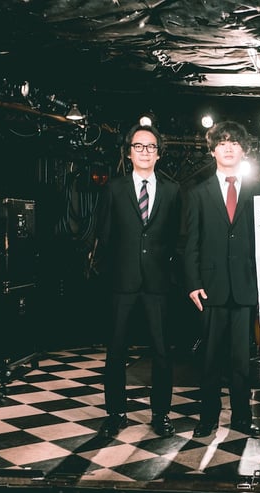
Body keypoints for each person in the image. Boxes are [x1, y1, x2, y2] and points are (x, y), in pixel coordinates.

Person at [183, 120, 260, 439]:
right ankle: (208, 417)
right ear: (212, 151)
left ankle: (241, 417)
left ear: (243, 150)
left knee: (241, 360)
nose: (229, 148)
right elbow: (191, 243)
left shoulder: (259, 191)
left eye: (235, 142)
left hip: (246, 286)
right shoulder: (198, 193)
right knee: (209, 358)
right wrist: (193, 283)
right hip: (211, 288)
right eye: (222, 143)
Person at [95, 121, 181, 438]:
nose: (145, 152)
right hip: (122, 282)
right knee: (116, 351)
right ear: (129, 153)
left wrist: (170, 273)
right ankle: (116, 413)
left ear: (159, 154)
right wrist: (113, 273)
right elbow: (105, 235)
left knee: (162, 352)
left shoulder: (173, 190)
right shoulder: (114, 189)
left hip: (159, 284)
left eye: (151, 147)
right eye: (138, 146)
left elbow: (178, 237)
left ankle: (161, 414)